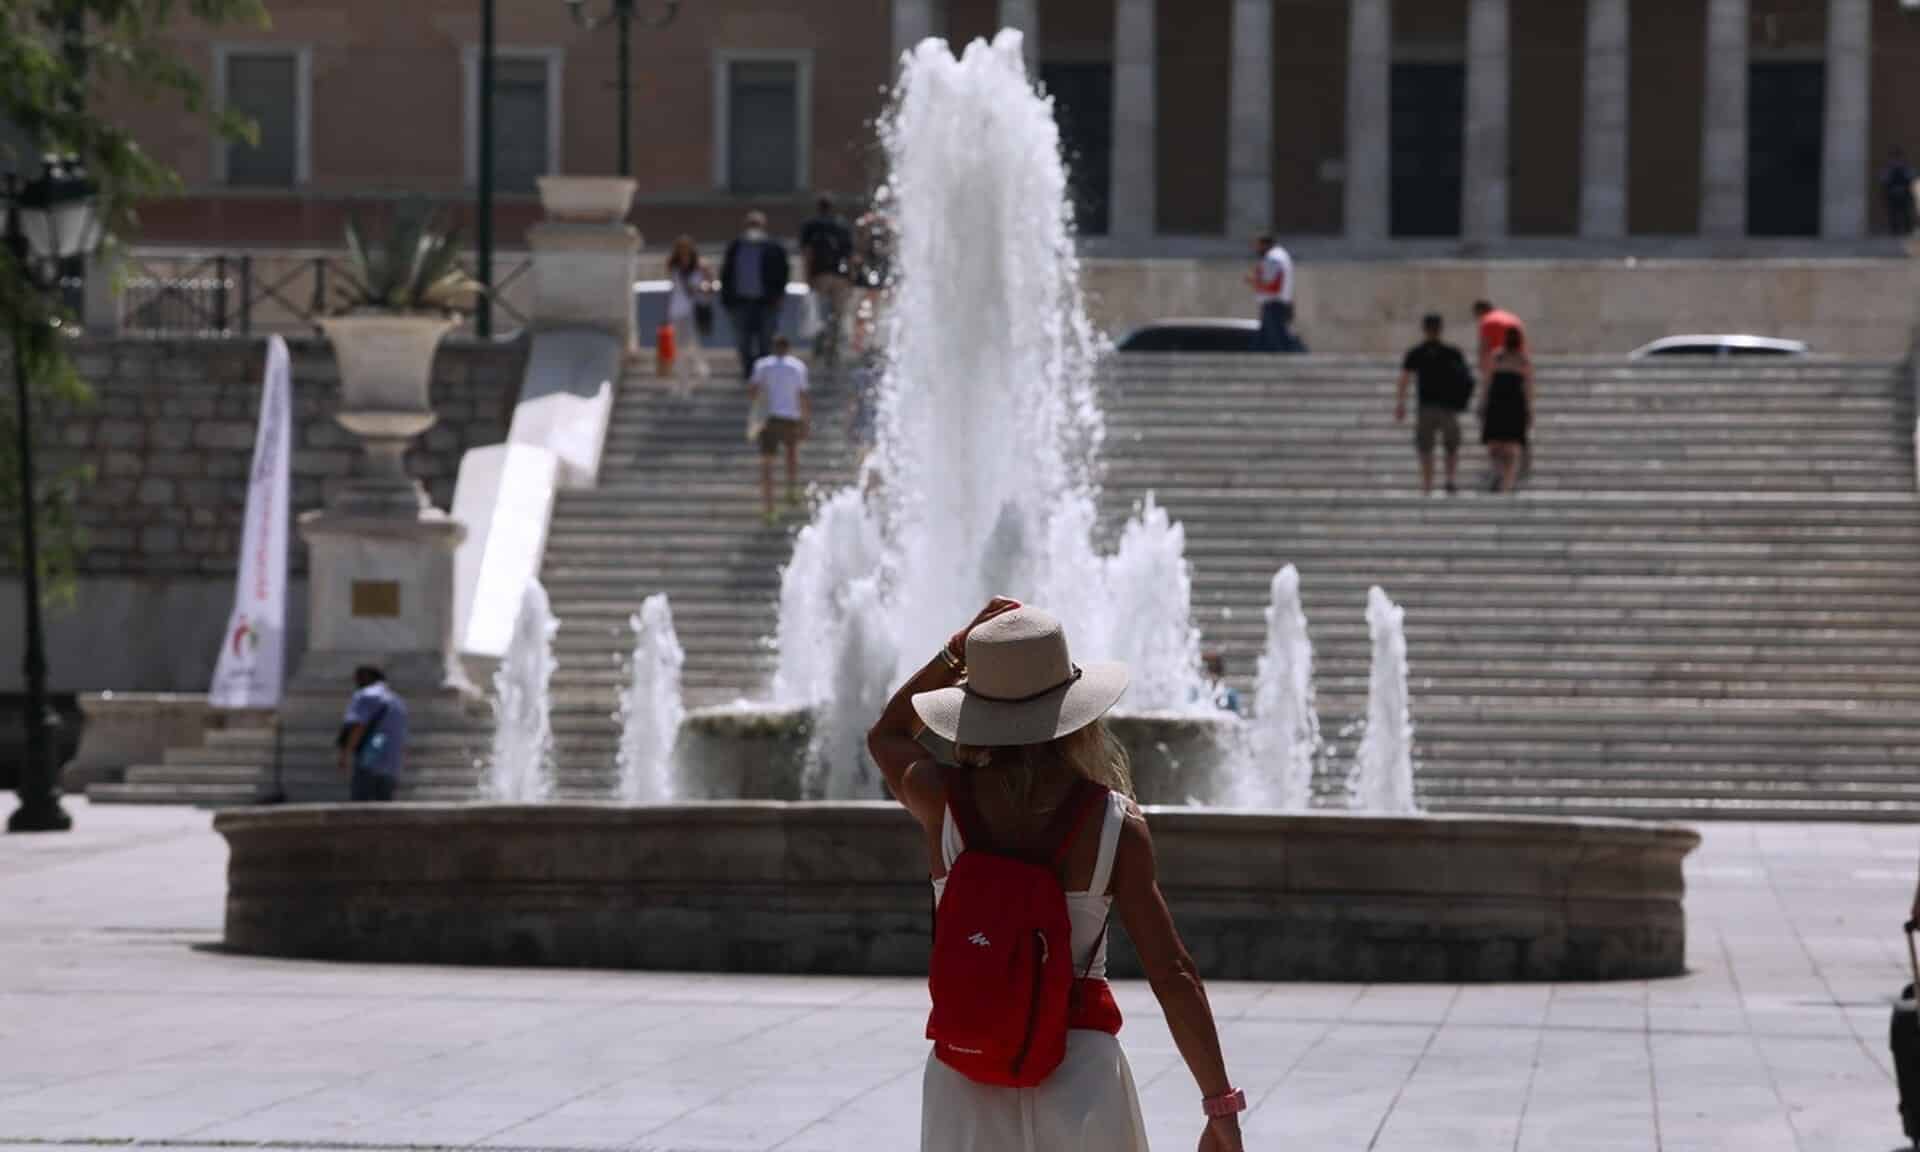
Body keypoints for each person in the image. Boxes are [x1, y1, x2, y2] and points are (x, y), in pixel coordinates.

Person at [868, 598, 1247, 1152]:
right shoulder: (1114, 824)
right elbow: (1173, 973)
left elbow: (887, 734)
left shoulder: (940, 799)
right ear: (1075, 712)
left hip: (967, 1072)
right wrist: (1220, 1107)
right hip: (1080, 1075)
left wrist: (955, 651)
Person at [1395, 313, 1475, 496]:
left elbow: (1404, 380)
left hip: (1427, 407)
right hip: (1448, 407)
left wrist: (1400, 403)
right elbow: (1467, 379)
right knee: (1450, 446)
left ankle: (1428, 485)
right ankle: (1450, 480)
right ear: (1441, 329)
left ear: (1424, 329)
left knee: (1426, 448)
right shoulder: (1452, 352)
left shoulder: (1417, 352)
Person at [719, 210, 791, 379]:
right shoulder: (736, 247)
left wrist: (779, 295)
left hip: (766, 302)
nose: (754, 228)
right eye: (751, 224)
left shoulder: (774, 247)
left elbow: (783, 272)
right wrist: (727, 300)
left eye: (756, 225)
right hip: (741, 302)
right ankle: (748, 371)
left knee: (766, 340)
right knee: (743, 340)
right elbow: (726, 274)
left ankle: (763, 373)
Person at [749, 334, 810, 523]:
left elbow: (752, 390)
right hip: (790, 416)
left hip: (769, 418)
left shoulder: (763, 365)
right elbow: (802, 395)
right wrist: (806, 420)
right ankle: (791, 488)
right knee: (791, 454)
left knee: (767, 464)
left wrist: (759, 406)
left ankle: (769, 508)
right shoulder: (797, 366)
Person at [798, 195, 854, 369]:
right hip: (840, 276)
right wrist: (850, 277)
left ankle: (820, 344)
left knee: (819, 313)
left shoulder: (811, 225)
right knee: (838, 314)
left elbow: (807, 252)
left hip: (819, 274)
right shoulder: (842, 225)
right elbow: (850, 254)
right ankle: (834, 347)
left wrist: (807, 276)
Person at [338, 666, 408, 803]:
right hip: (391, 764)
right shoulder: (398, 702)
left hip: (370, 758)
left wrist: (345, 754)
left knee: (360, 809)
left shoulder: (366, 695)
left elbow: (359, 726)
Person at [1481, 326, 1535, 494]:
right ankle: (1502, 479)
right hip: (1505, 405)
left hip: (1507, 405)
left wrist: (1528, 408)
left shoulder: (1516, 359)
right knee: (1500, 446)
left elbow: (1527, 386)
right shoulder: (1503, 357)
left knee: (1506, 447)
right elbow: (1488, 381)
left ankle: (1505, 482)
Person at [664, 236, 711, 396]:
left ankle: (692, 377)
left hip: (693, 311)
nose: (684, 253)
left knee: (688, 345)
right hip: (677, 310)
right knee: (680, 348)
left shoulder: (700, 266)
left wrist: (701, 289)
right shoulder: (673, 267)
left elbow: (710, 285)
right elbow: (673, 288)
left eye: (686, 250)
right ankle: (686, 380)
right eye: (681, 250)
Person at [1248, 232, 1303, 353]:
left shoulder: (1273, 258)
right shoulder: (1280, 256)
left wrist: (1255, 281)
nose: (1255, 249)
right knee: (1263, 341)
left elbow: (1273, 285)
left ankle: (1299, 360)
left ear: (1264, 244)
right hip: (1277, 304)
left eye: (1257, 245)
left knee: (1280, 340)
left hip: (1274, 305)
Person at [850, 208, 893, 355]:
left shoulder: (879, 237)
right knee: (865, 313)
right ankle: (862, 343)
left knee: (871, 313)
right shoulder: (871, 236)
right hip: (866, 283)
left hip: (872, 283)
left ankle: (868, 344)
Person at [1885, 149, 1915, 237]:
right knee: (1893, 214)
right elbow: (1885, 181)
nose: (1896, 161)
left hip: (1905, 195)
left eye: (1898, 158)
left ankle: (1907, 231)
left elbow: (1912, 178)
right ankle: (1895, 231)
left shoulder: (1906, 169)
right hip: (1893, 195)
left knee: (1906, 213)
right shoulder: (1889, 170)